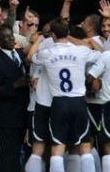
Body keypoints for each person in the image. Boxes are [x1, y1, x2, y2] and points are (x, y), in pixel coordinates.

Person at [32, 18, 101, 172]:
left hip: (59, 102)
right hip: (78, 102)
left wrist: (38, 40)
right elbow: (101, 54)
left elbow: (31, 58)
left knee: (58, 148)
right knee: (84, 145)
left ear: (53, 35)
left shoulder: (46, 53)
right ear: (68, 32)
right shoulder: (81, 51)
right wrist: (87, 42)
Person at [0, 24, 30, 172]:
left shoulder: (22, 54)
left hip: (23, 113)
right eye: (5, 37)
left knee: (17, 152)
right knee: (8, 153)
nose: (10, 39)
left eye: (11, 36)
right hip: (6, 115)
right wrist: (15, 85)